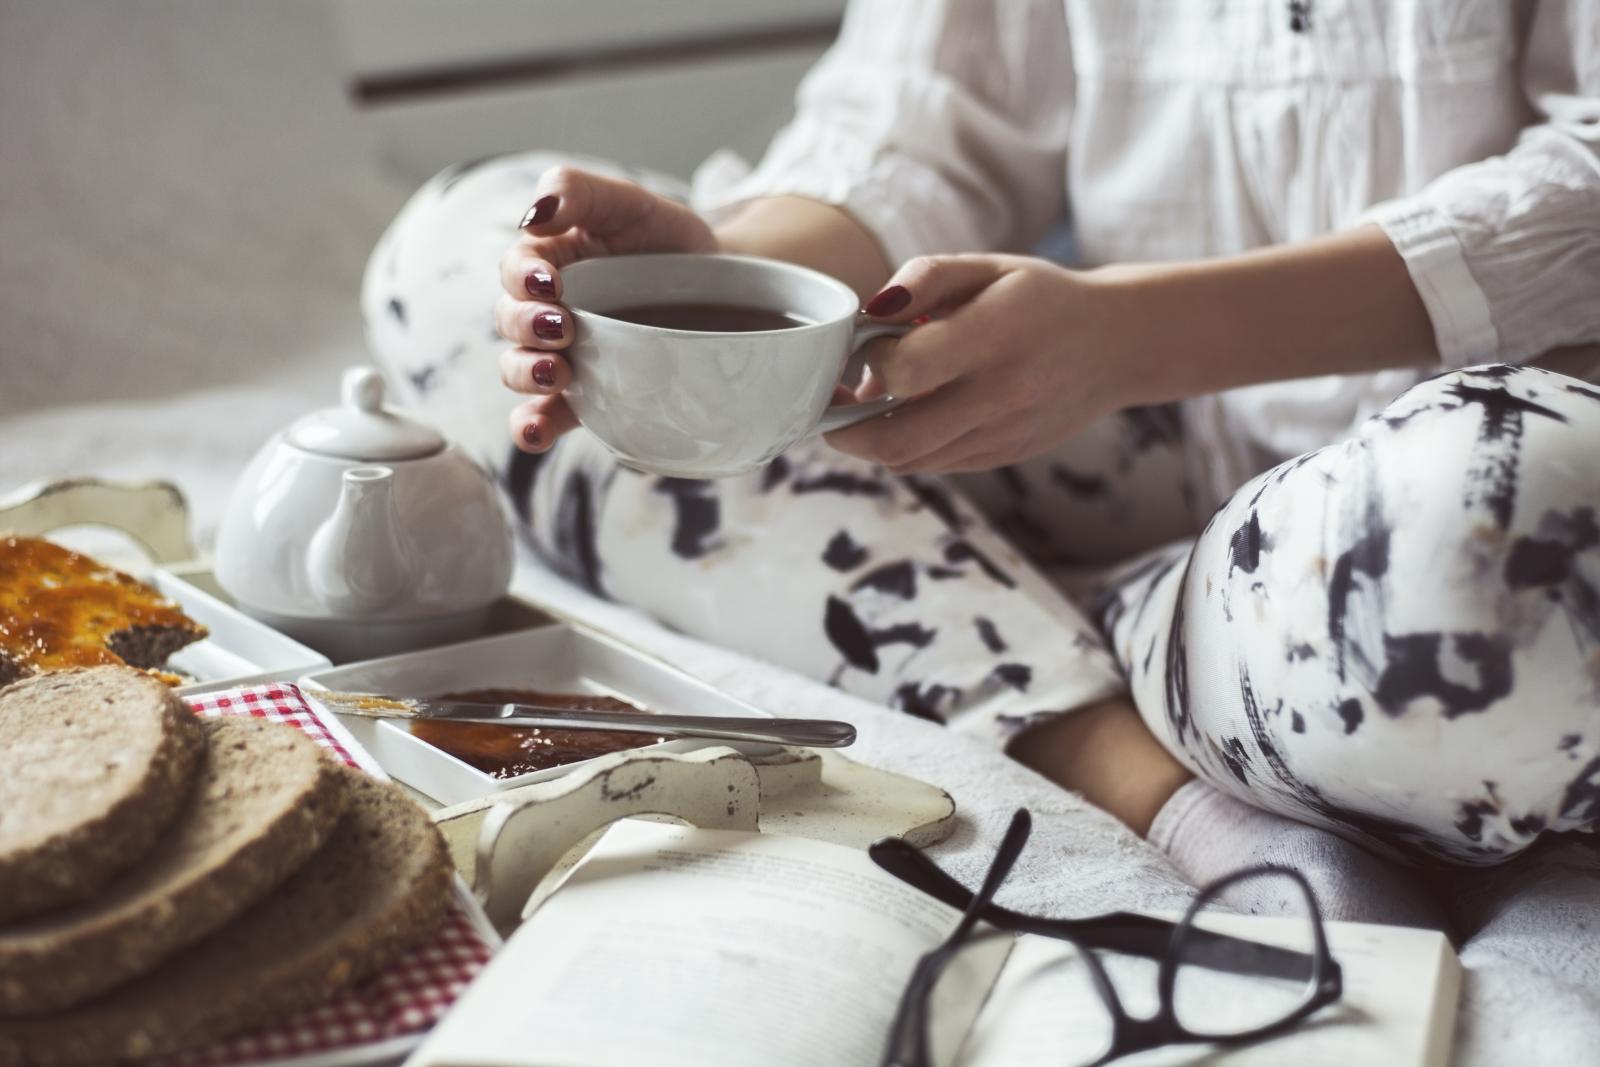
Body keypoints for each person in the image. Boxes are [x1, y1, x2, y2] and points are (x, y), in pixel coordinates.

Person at [363, 0, 1600, 915]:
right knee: (448, 265)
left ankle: (1092, 629)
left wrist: (1131, 335)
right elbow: (917, 133)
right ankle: (1125, 755)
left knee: (1507, 544)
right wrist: (731, 284)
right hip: (1104, 433)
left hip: (1448, 485)